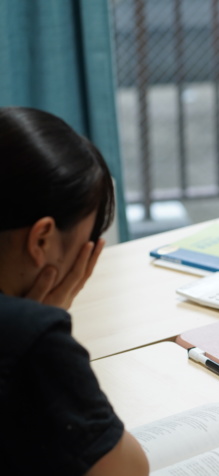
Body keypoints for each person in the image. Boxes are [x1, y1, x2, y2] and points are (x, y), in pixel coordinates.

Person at [0, 107, 149, 474]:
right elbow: (128, 469)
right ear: (43, 239)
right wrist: (47, 320)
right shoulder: (30, 337)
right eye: (87, 243)